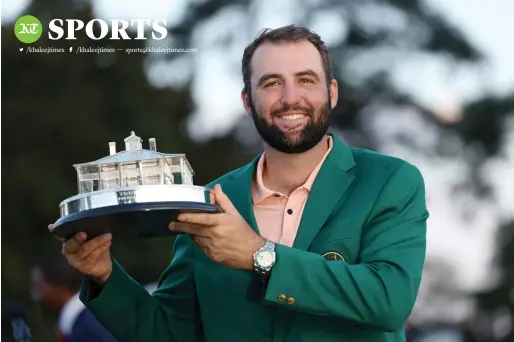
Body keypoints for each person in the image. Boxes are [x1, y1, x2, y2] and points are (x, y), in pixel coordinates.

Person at [50, 24, 429, 341]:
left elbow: (389, 300)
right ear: (248, 101)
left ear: (331, 92)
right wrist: (104, 276)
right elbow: (168, 332)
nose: (290, 97)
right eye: (271, 83)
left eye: (306, 80)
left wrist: (258, 255)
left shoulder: (388, 181)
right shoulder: (207, 200)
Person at [30, 257, 117, 342]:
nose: (35, 296)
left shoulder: (89, 327)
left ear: (59, 287)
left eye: (39, 287)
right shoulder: (83, 322)